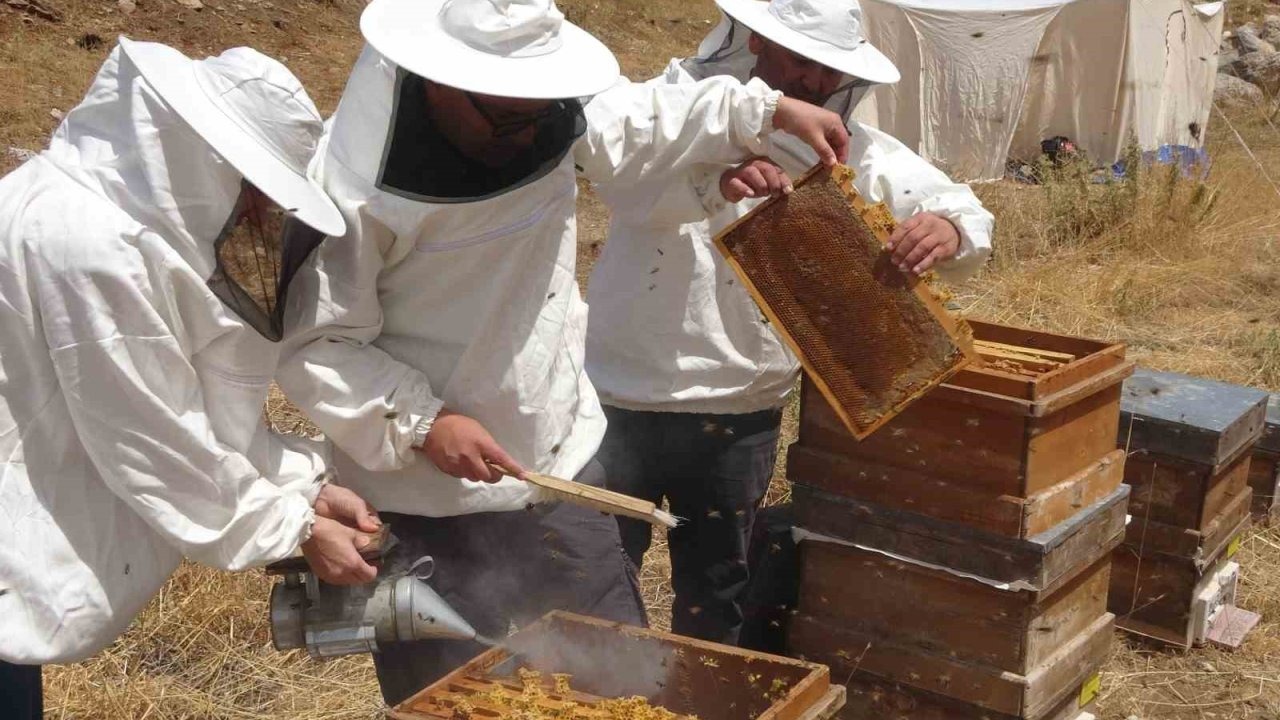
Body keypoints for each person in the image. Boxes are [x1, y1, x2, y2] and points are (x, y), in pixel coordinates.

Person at [275, 0, 851, 704]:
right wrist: (423, 422)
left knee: (619, 679)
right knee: (455, 692)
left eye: (539, 111)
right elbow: (319, 343)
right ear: (435, 80)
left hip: (556, 461)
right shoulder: (351, 183)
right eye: (504, 116)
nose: (526, 132)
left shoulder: (542, 101)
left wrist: (763, 113)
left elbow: (637, 120)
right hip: (422, 496)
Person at [585, 0, 996, 644]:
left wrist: (947, 227)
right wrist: (719, 171)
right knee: (597, 595)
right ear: (753, 42)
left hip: (739, 410)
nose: (813, 82)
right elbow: (606, 147)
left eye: (829, 69)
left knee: (716, 597)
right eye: (802, 61)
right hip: (616, 395)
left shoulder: (844, 146)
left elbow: (962, 208)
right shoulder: (668, 108)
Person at [0, 38, 383, 717]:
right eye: (257, 191)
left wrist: (306, 486)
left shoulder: (113, 230)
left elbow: (193, 409)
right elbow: (152, 441)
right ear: (206, 160)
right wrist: (293, 526)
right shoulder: (87, 242)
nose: (261, 216)